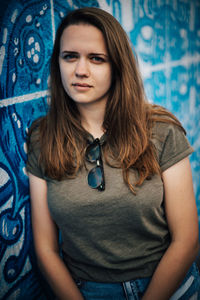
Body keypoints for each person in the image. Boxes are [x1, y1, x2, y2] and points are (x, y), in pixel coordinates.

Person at [26, 7, 200, 300]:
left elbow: (187, 240)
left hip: (169, 287)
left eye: (97, 58)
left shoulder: (161, 130)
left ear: (118, 66)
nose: (80, 70)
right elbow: (45, 249)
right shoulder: (43, 139)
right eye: (70, 56)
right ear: (57, 64)